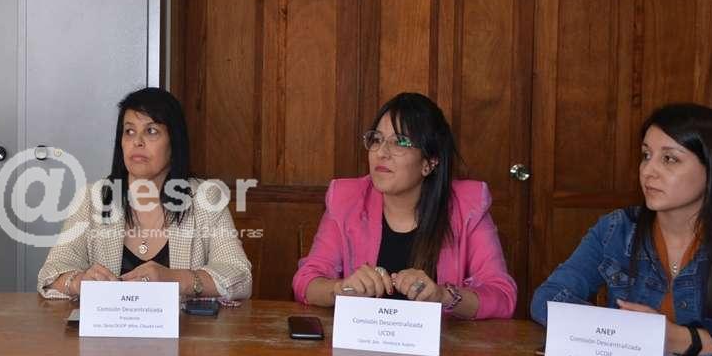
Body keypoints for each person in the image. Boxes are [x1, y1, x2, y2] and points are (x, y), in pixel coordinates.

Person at [531, 103, 712, 356]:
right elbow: (548, 298)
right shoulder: (616, 230)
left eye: (669, 159)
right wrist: (619, 331)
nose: (648, 171)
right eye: (646, 155)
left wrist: (678, 339)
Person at [293, 92, 516, 318]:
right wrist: (341, 289)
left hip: (443, 340)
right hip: (365, 338)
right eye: (377, 139)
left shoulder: (468, 206)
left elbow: (503, 297)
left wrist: (443, 296)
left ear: (430, 162)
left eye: (400, 142)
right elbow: (306, 282)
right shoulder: (346, 198)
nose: (381, 153)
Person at [37, 87, 252, 300]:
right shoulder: (93, 198)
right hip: (108, 323)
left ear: (174, 141)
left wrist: (177, 280)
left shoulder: (205, 197)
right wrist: (79, 282)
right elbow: (49, 275)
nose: (137, 142)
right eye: (129, 131)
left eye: (151, 131)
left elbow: (240, 278)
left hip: (183, 323)